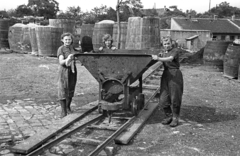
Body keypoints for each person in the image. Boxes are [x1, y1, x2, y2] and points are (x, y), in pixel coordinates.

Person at [152, 37, 184, 127]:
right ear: (163, 45)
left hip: (175, 74)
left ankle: (175, 118)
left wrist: (158, 58)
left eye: (168, 43)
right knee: (163, 98)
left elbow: (170, 59)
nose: (167, 45)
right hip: (166, 74)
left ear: (171, 43)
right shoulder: (163, 52)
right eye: (165, 44)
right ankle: (168, 116)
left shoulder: (175, 50)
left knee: (175, 97)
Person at [57, 32, 78, 118]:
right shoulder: (61, 49)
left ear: (71, 40)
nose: (67, 41)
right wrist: (67, 60)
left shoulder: (72, 48)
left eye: (69, 39)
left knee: (71, 88)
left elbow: (79, 55)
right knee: (63, 89)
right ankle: (63, 111)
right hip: (64, 71)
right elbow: (61, 62)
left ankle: (68, 107)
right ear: (62, 40)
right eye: (66, 39)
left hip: (72, 71)